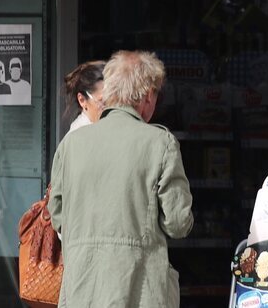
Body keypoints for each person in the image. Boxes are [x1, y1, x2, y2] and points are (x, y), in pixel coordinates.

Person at [50, 51, 193, 308]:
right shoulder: (160, 143)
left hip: (82, 290)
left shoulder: (71, 144)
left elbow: (58, 215)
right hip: (139, 291)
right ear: (148, 95)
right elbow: (178, 223)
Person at [63, 60, 106, 131]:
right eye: (103, 103)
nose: (110, 109)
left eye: (114, 101)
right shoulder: (78, 133)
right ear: (82, 100)